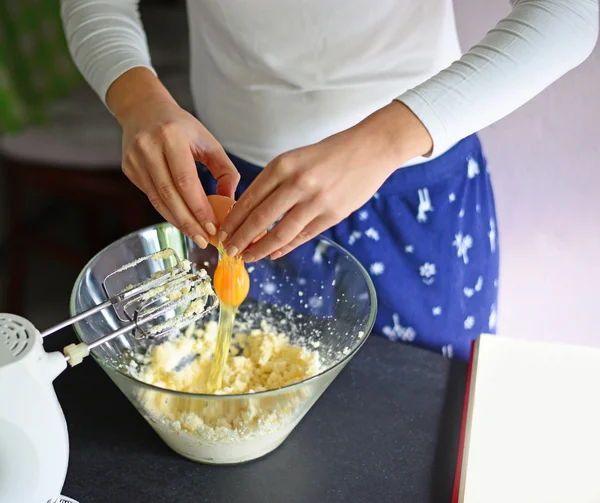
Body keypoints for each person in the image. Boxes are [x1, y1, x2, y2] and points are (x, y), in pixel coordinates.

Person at [61, 0, 598, 360]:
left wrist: (382, 142)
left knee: (417, 436)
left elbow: (569, 14)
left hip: (413, 191)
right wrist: (137, 101)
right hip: (230, 197)